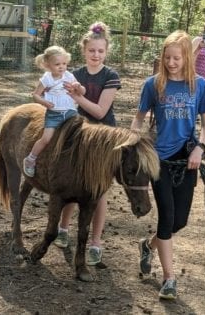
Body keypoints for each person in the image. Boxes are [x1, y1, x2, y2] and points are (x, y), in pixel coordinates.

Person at [131, 30, 205, 300]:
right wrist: (134, 140)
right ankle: (169, 278)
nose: (171, 63)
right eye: (167, 57)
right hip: (159, 160)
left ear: (187, 57)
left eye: (177, 58)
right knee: (167, 218)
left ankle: (148, 245)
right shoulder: (153, 85)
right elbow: (139, 118)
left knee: (179, 222)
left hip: (187, 159)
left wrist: (200, 148)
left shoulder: (198, 85)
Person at [53, 22, 121, 266]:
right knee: (71, 185)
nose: (96, 55)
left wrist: (79, 97)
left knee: (98, 192)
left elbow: (101, 112)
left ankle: (95, 242)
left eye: (100, 51)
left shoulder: (110, 76)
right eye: (92, 51)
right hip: (78, 137)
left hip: (103, 140)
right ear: (84, 51)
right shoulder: (74, 75)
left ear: (106, 52)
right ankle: (62, 229)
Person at [23, 45, 85, 177]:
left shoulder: (69, 76)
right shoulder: (47, 79)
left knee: (80, 133)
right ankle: (30, 159)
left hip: (69, 111)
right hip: (54, 114)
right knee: (46, 139)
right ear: (48, 65)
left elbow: (83, 92)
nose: (61, 67)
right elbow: (36, 95)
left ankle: (78, 161)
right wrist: (44, 102)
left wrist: (78, 87)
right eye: (57, 64)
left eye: (64, 63)